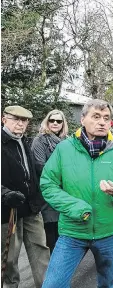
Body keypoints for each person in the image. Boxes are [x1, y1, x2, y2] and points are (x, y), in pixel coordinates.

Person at [40, 99, 113, 287]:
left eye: (106, 118)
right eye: (96, 117)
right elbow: (48, 184)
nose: (102, 122)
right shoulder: (65, 149)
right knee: (53, 284)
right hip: (73, 230)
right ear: (83, 119)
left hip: (110, 231)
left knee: (108, 282)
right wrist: (76, 207)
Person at [1, 105, 49, 288]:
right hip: (8, 210)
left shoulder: (25, 141)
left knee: (40, 249)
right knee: (10, 257)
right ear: (4, 119)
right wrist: (5, 193)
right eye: (16, 119)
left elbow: (32, 171)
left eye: (24, 120)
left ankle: (47, 285)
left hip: (31, 206)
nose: (20, 124)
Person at [31, 109, 69, 253]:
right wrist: (64, 175)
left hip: (66, 191)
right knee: (50, 233)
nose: (55, 123)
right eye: (52, 120)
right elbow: (40, 166)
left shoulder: (68, 141)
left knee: (64, 230)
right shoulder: (40, 140)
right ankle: (52, 267)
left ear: (62, 123)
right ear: (47, 122)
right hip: (48, 192)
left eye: (58, 121)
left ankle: (63, 263)